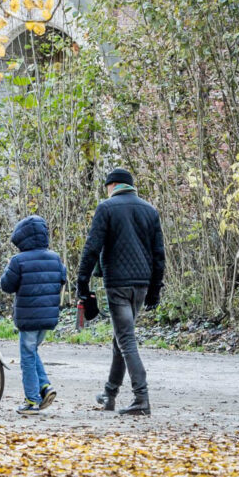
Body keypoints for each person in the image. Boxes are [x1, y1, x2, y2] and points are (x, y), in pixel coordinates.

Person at [77, 167, 165, 416]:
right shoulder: (150, 210)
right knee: (120, 338)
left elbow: (92, 247)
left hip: (118, 284)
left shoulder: (106, 208)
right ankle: (110, 393)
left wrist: (82, 283)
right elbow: (159, 254)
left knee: (125, 339)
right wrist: (155, 289)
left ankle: (141, 398)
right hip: (142, 284)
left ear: (112, 185)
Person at [0, 215, 66, 415]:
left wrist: (9, 266)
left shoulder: (18, 260)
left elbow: (6, 285)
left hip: (28, 318)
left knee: (27, 357)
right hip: (48, 317)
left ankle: (32, 400)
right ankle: (45, 386)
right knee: (32, 351)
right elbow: (62, 279)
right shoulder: (55, 258)